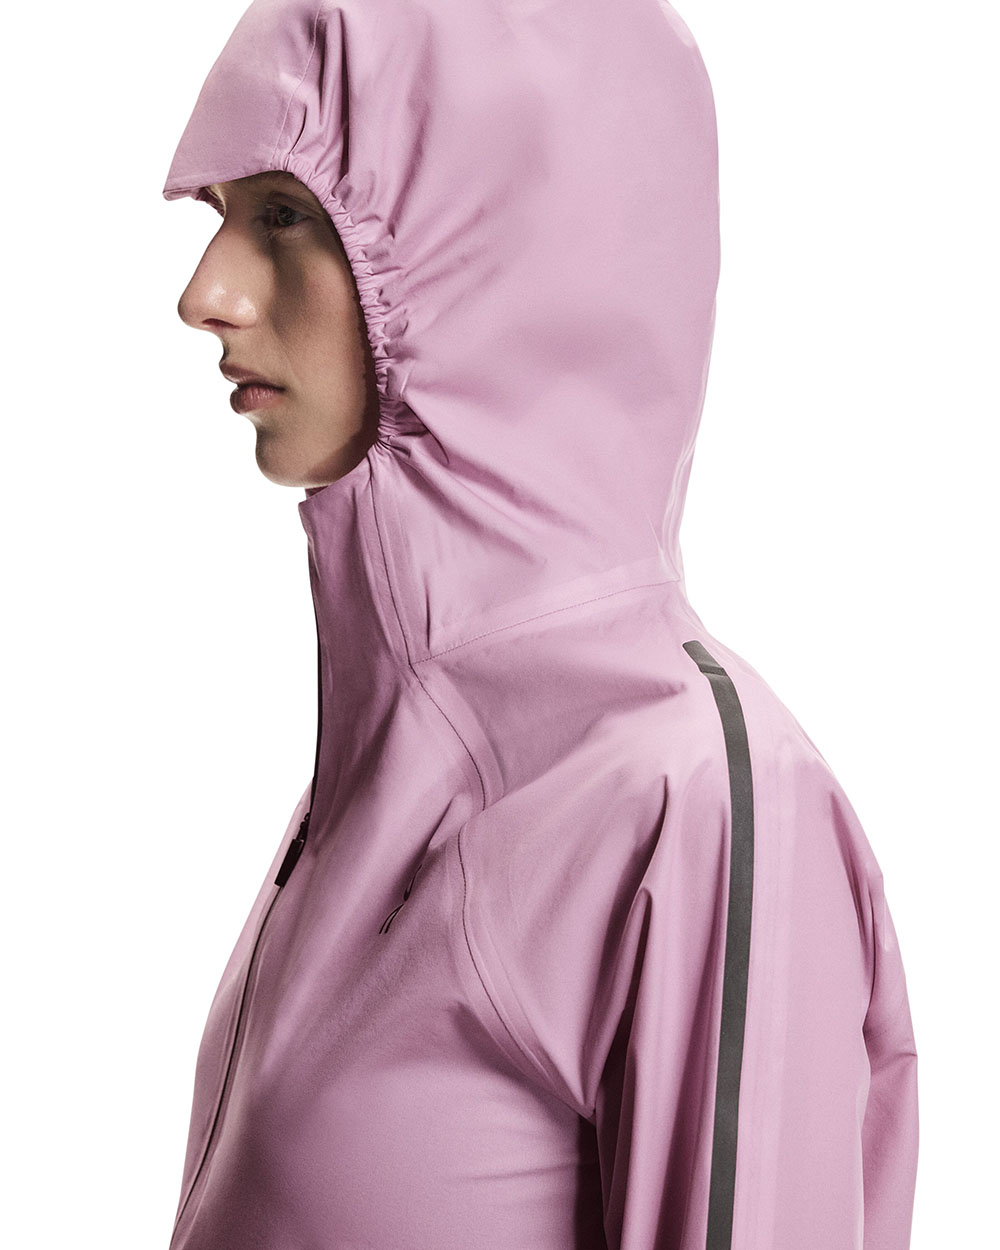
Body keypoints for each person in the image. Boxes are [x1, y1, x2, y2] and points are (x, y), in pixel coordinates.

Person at [162, 1, 919, 1247]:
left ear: (501, 260)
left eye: (285, 216)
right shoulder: (376, 785)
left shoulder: (694, 800)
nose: (207, 294)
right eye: (221, 216)